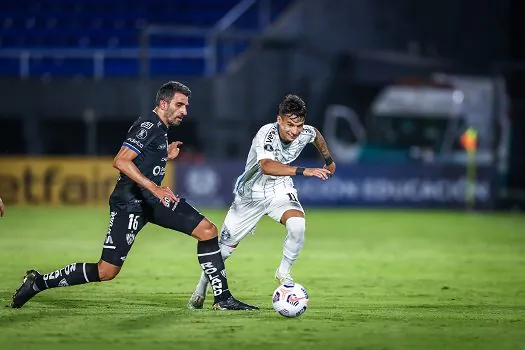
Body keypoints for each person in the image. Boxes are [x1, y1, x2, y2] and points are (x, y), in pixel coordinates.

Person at [11, 81, 257, 311]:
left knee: (207, 231)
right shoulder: (148, 126)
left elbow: (142, 160)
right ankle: (38, 283)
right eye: (179, 105)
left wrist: (164, 155)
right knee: (106, 271)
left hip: (151, 201)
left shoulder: (161, 129)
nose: (184, 111)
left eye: (186, 106)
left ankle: (222, 298)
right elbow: (120, 160)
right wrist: (157, 188)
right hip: (129, 202)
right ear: (163, 104)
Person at [188, 94, 335, 309]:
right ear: (279, 120)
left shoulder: (305, 132)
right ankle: (201, 287)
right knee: (225, 250)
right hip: (250, 195)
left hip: (280, 189)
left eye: (299, 125)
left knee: (298, 225)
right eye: (290, 125)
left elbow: (316, 135)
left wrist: (328, 160)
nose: (295, 131)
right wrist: (306, 171)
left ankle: (283, 272)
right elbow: (267, 166)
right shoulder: (266, 134)